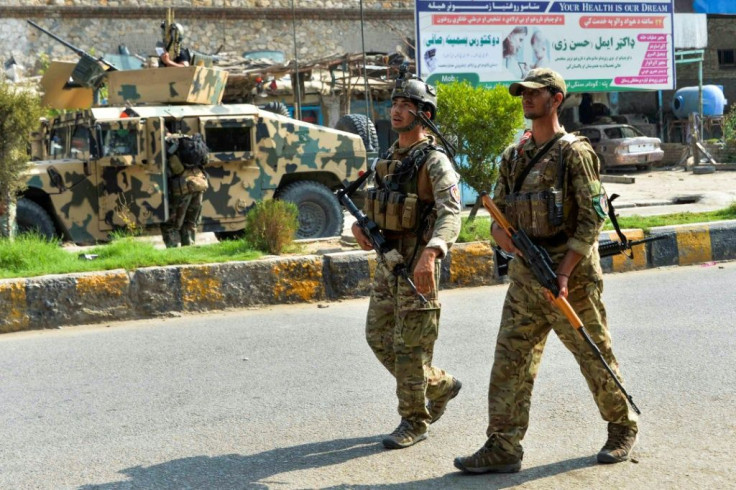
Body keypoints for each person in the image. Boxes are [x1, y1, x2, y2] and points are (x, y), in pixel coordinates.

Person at [454, 68, 639, 473]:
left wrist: (565, 272)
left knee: (594, 355)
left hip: (571, 279)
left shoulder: (574, 152)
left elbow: (592, 220)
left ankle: (622, 425)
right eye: (522, 93)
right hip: (526, 278)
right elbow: (498, 215)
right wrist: (509, 243)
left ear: (556, 99)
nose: (525, 99)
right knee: (510, 361)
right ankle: (503, 446)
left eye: (534, 94)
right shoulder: (514, 155)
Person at [352, 72, 463, 450]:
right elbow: (373, 201)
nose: (396, 111)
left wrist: (433, 252)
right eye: (395, 104)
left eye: (406, 106)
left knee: (411, 348)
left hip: (418, 266)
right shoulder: (388, 158)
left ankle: (414, 420)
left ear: (424, 114)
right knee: (378, 337)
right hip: (388, 261)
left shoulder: (434, 161)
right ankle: (441, 385)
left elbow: (452, 211)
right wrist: (360, 227)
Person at [160, 133, 209, 248]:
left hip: (182, 186)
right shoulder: (191, 141)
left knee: (171, 223)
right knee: (191, 222)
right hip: (199, 183)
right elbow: (206, 160)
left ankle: (173, 249)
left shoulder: (169, 143)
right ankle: (189, 247)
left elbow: (171, 168)